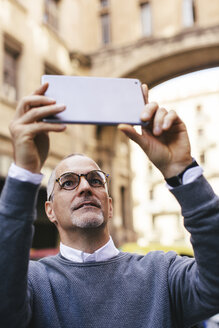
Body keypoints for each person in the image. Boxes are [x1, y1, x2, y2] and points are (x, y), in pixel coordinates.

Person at [0, 82, 218, 328]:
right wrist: (24, 173)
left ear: (110, 206)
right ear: (49, 211)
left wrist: (183, 171)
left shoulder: (163, 274)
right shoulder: (30, 282)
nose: (85, 187)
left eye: (96, 180)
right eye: (68, 182)